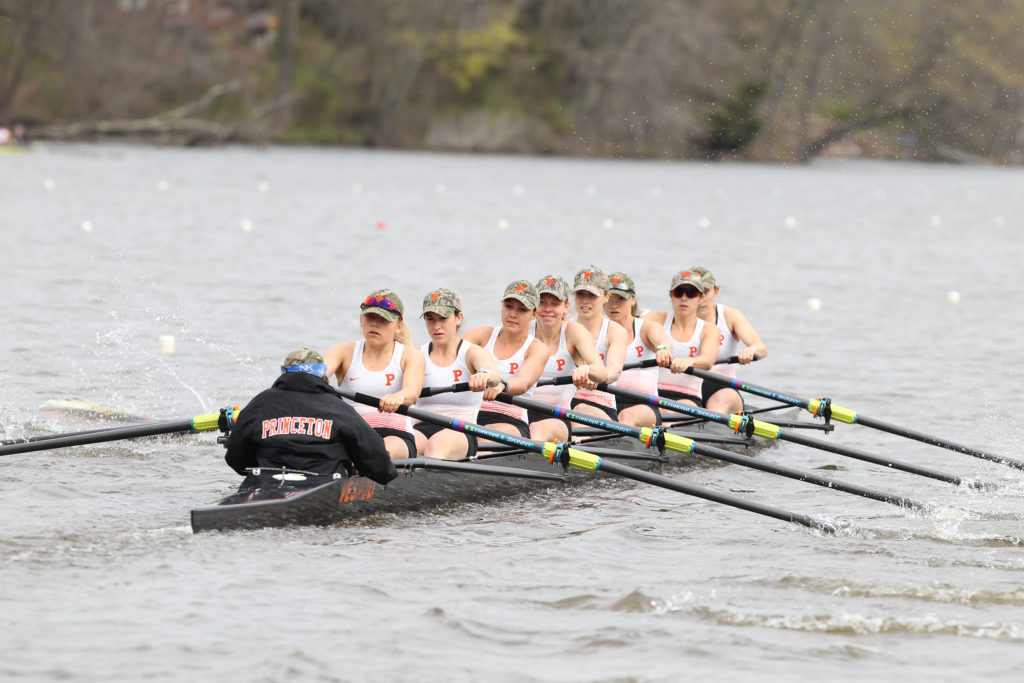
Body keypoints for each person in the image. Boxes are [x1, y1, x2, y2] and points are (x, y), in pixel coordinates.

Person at [224, 348, 398, 485]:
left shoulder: (259, 404)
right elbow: (379, 463)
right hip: (324, 482)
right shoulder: (338, 408)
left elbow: (235, 457)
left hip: (268, 481)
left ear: (285, 372)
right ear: (322, 375)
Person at [324, 289, 425, 459]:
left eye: (384, 320)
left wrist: (398, 397)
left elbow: (412, 392)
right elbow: (316, 377)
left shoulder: (410, 355)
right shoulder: (341, 351)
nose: (375, 324)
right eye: (370, 318)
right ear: (361, 320)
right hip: (354, 435)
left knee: (374, 455)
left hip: (396, 435)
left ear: (398, 327)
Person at [414, 287, 504, 460]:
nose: (436, 326)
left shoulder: (471, 352)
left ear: (458, 318)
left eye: (443, 318)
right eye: (430, 319)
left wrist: (484, 375)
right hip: (421, 428)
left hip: (461, 430)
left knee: (437, 445)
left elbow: (493, 373)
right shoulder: (417, 355)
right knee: (389, 449)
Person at [463, 280, 548, 439]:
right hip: (470, 415)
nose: (513, 314)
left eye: (522, 310)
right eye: (508, 306)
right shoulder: (478, 335)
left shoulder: (537, 349)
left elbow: (523, 382)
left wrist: (502, 385)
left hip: (509, 420)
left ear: (534, 314)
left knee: (480, 441)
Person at [528, 274, 607, 442]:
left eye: (555, 304)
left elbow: (601, 373)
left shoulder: (573, 332)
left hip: (557, 417)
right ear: (534, 305)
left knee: (535, 430)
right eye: (542, 302)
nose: (548, 309)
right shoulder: (523, 330)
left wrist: (586, 369)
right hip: (520, 414)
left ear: (565, 307)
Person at [689, 266, 768, 414]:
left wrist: (751, 350)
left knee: (720, 402)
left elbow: (761, 348)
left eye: (706, 292)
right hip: (687, 388)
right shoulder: (675, 321)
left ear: (716, 291)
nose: (701, 299)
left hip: (722, 387)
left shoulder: (729, 316)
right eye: (695, 293)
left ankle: (713, 426)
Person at [602, 272, 673, 426]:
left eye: (621, 299)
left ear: (633, 300)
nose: (614, 305)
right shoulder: (597, 331)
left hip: (643, 405)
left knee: (626, 417)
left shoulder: (646, 327)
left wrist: (662, 350)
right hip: (607, 403)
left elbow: (662, 340)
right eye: (609, 299)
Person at [642, 270, 720, 410]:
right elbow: (625, 326)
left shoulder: (709, 329)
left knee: (665, 415)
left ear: (701, 298)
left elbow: (708, 361)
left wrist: (688, 361)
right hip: (653, 394)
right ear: (671, 295)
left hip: (688, 398)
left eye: (691, 293)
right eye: (679, 293)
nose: (684, 298)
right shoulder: (654, 318)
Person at [568, 265, 627, 421]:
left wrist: (595, 375)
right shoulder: (564, 328)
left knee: (580, 410)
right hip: (565, 404)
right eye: (580, 294)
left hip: (601, 405)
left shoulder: (615, 331)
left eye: (592, 295)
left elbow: (614, 372)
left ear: (606, 297)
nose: (585, 301)